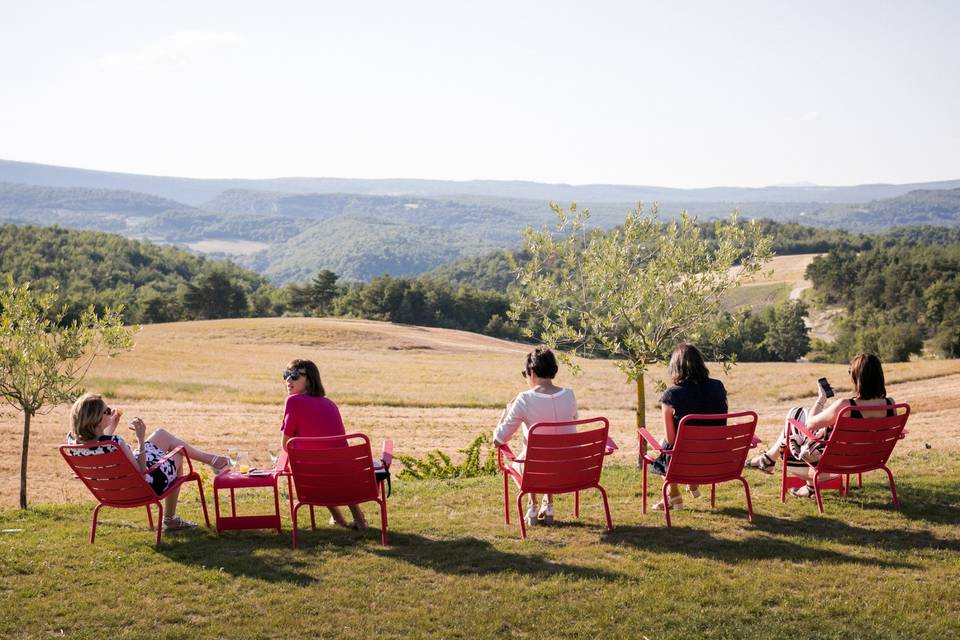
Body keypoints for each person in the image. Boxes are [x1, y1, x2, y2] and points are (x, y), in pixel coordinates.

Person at [66, 392, 229, 530]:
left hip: (114, 490)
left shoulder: (73, 443)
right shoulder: (116, 442)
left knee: (161, 435)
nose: (110, 412)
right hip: (143, 487)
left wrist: (112, 423)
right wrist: (141, 438)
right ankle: (170, 519)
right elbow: (141, 470)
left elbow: (98, 444)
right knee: (177, 454)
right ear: (96, 419)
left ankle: (213, 460)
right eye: (107, 411)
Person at [746, 352, 895, 498]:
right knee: (800, 412)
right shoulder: (890, 405)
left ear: (857, 378)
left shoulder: (846, 406)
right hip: (870, 460)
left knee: (793, 417)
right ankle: (770, 462)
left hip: (834, 466)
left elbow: (810, 424)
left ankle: (768, 460)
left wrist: (821, 399)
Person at [492, 346, 577, 527]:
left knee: (528, 456)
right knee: (551, 448)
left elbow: (498, 440)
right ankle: (548, 505)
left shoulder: (524, 399)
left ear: (531, 372)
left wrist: (506, 413)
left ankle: (532, 506)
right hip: (569, 471)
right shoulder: (570, 395)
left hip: (535, 473)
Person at [280, 358, 367, 530]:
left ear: (310, 379)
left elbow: (286, 445)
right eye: (286, 375)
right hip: (342, 475)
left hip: (311, 479)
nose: (288, 380)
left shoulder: (292, 401)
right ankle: (357, 517)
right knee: (327, 463)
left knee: (312, 464)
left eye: (295, 375)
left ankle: (340, 519)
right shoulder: (330, 404)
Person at [652, 343, 728, 511]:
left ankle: (674, 496)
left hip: (684, 461)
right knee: (677, 445)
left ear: (675, 367)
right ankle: (687, 487)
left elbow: (671, 439)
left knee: (664, 445)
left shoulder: (671, 395)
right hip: (715, 459)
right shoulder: (718, 387)